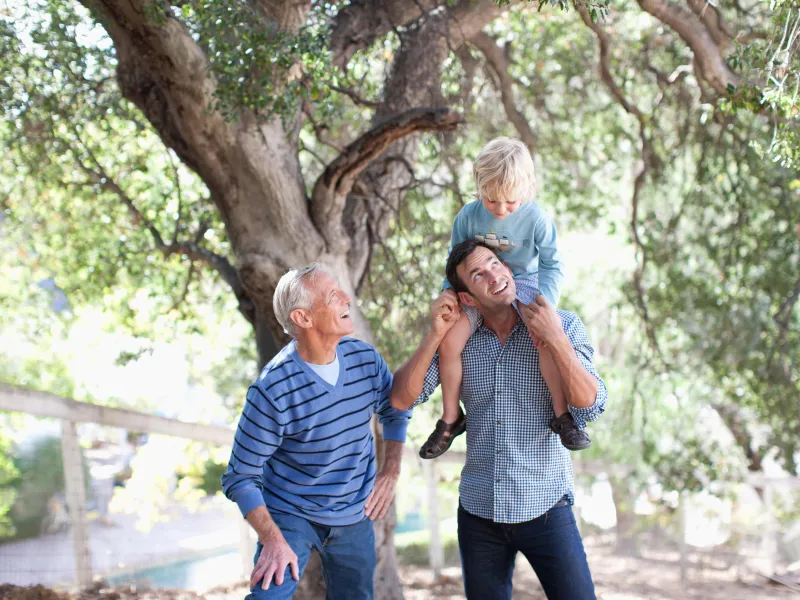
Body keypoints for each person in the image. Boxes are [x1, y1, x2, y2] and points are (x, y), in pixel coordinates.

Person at [391, 239, 608, 600]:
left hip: (547, 506)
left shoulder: (561, 323)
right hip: (479, 515)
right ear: (468, 299)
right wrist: (435, 333)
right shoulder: (458, 344)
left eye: (494, 263)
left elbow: (590, 407)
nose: (494, 276)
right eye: (478, 275)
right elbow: (400, 398)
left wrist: (556, 340)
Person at [221, 264, 411, 600]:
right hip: (288, 513)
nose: (346, 299)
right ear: (303, 318)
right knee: (268, 596)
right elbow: (240, 477)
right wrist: (272, 538)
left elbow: (395, 409)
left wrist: (391, 469)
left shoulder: (365, 360)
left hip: (354, 511)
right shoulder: (273, 389)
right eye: (333, 295)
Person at [419, 137, 591, 460]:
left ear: (528, 188)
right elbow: (454, 263)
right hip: (480, 290)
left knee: (543, 337)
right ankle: (450, 418)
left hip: (524, 285)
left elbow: (553, 263)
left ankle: (561, 414)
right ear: (478, 186)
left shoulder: (536, 218)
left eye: (509, 202)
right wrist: (448, 293)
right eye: (491, 200)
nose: (500, 209)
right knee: (450, 341)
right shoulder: (467, 218)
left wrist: (545, 304)